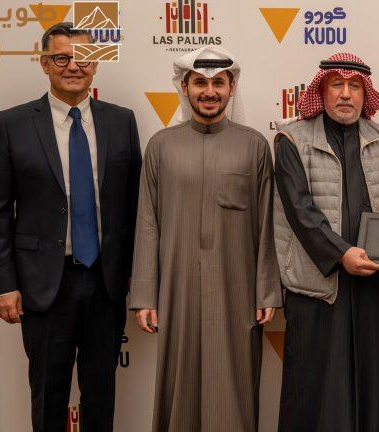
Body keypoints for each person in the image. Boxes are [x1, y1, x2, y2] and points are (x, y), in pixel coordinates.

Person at [0, 22, 141, 431]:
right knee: (47, 393)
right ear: (44, 64)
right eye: (62, 58)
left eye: (83, 58)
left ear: (96, 65)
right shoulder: (12, 124)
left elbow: (134, 207)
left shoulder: (121, 121)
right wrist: (3, 284)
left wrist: (138, 276)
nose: (73, 66)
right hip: (43, 284)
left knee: (101, 392)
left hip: (106, 282)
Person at [128, 46, 282, 432]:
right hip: (176, 287)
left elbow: (267, 224)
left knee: (235, 379)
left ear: (232, 88)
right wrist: (145, 294)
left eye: (218, 83)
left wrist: (266, 291)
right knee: (179, 378)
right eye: (200, 83)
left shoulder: (254, 146)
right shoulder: (160, 146)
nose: (209, 92)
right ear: (185, 88)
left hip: (237, 288)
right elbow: (147, 223)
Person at [274, 53, 379, 432]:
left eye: (354, 86)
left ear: (366, 94)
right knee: (315, 395)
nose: (346, 94)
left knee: (369, 390)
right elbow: (300, 212)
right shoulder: (292, 139)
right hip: (316, 288)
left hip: (370, 286)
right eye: (337, 85)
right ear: (322, 91)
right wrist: (342, 253)